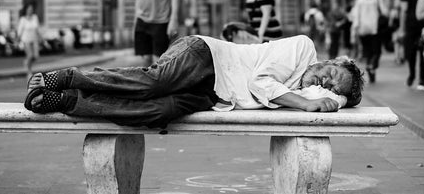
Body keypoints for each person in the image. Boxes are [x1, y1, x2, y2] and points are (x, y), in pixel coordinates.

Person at [24, 35, 365, 129]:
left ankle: (69, 100)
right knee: (154, 83)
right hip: (206, 56)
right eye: (333, 74)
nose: (326, 83)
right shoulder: (303, 48)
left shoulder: (313, 91)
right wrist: (306, 102)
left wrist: (338, 96)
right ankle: (67, 77)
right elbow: (261, 84)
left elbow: (337, 101)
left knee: (157, 112)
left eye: (332, 87)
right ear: (332, 61)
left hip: (213, 96)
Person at [133, 0, 180, 65]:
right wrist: (135, 19)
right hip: (141, 20)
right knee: (144, 66)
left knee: (158, 66)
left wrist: (174, 19)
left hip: (161, 20)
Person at [399, 0, 424, 90]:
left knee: (423, 54)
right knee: (411, 54)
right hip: (411, 27)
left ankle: (422, 79)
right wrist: (401, 29)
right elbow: (403, 12)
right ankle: (411, 75)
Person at [351, 0, 382, 83]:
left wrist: (355, 28)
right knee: (376, 51)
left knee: (368, 51)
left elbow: (356, 15)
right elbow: (383, 10)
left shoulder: (359, 0)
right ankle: (372, 66)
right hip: (374, 28)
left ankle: (370, 67)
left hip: (363, 29)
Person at [17, 4, 42, 79]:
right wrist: (18, 39)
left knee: (36, 56)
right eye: (29, 9)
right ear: (26, 10)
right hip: (26, 39)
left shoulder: (35, 17)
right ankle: (29, 72)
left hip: (34, 39)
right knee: (30, 55)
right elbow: (20, 30)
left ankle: (26, 62)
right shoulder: (23, 19)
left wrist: (40, 37)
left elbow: (37, 28)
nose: (30, 10)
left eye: (31, 9)